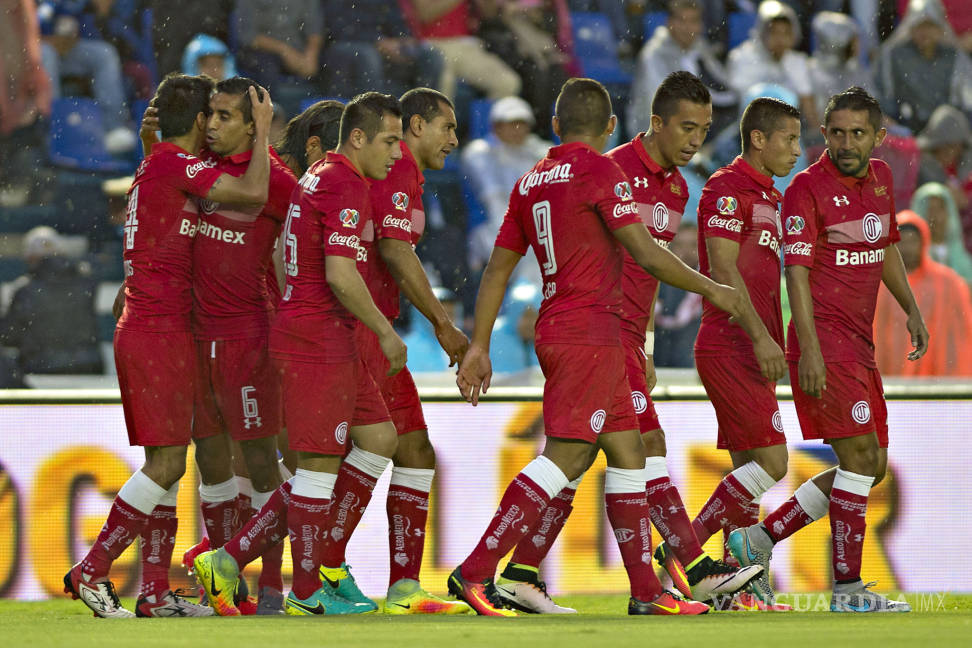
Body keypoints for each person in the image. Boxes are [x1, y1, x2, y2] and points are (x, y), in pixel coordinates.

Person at [448, 77, 753, 617]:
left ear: (556, 125)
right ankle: (475, 572)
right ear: (612, 126)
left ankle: (645, 593)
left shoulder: (529, 181)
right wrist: (713, 289)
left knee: (630, 453)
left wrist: (479, 344)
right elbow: (647, 255)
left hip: (577, 328)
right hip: (591, 329)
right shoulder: (604, 171)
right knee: (566, 455)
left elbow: (497, 267)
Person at [62, 73, 273, 618]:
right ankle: (93, 568)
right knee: (166, 466)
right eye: (214, 116)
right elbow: (253, 192)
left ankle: (154, 592)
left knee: (167, 462)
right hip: (158, 330)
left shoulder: (155, 165)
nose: (218, 125)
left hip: (157, 327)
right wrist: (264, 130)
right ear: (200, 121)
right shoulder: (173, 166)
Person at [192, 92, 408, 617]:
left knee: (379, 439)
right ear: (357, 138)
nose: (398, 153)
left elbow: (292, 263)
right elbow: (339, 272)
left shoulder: (319, 175)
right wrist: (384, 330)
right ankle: (308, 591)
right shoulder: (346, 183)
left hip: (313, 329)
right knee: (316, 467)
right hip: (318, 337)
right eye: (390, 140)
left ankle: (250, 558)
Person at [728, 87, 928, 613]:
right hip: (825, 342)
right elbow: (796, 273)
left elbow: (885, 249)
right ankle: (846, 590)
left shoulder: (882, 183)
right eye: (836, 132)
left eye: (857, 133)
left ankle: (759, 540)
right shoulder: (806, 191)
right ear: (825, 134)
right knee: (859, 457)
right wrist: (809, 349)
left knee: (873, 463)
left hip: (858, 345)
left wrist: (910, 307)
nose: (844, 142)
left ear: (878, 138)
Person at [341, 87, 470, 614]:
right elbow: (393, 250)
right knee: (339, 459)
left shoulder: (408, 178)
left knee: (415, 450)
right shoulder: (394, 174)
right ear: (416, 127)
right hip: (358, 333)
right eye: (447, 127)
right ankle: (312, 570)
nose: (454, 139)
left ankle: (403, 587)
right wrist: (443, 324)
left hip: (375, 332)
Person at [677, 97, 801, 610]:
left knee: (746, 474)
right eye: (789, 139)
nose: (797, 150)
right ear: (758, 138)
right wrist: (762, 336)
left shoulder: (768, 194)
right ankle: (683, 551)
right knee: (773, 462)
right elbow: (724, 271)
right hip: (733, 342)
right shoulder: (727, 189)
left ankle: (742, 586)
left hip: (751, 345)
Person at [462, 96, 552, 278]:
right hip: (491, 225)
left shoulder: (539, 150)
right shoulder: (478, 153)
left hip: (534, 222)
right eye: (511, 124)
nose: (517, 130)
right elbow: (493, 200)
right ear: (497, 126)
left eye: (522, 123)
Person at [873, 210, 972, 376]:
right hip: (893, 375)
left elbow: (962, 334)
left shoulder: (949, 282)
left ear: (924, 242)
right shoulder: (881, 285)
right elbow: (876, 334)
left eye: (913, 241)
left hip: (939, 377)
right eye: (901, 242)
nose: (907, 248)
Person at [0, 226, 102, 375]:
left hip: (40, 369)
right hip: (89, 366)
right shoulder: (87, 283)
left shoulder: (24, 290)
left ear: (30, 257)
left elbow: (9, 336)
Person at [627, 0, 735, 140]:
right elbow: (659, 106)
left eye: (694, 21)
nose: (688, 28)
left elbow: (724, 88)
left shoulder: (700, 48)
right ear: (669, 23)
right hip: (655, 136)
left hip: (695, 127)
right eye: (682, 21)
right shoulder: (653, 55)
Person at [876, 0, 972, 134]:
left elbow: (967, 102)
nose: (925, 32)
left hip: (946, 137)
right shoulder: (892, 57)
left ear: (940, 28)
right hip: (903, 133)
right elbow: (882, 98)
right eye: (919, 26)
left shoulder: (954, 59)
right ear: (910, 27)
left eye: (930, 26)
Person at [726, 1, 821, 134]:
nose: (780, 40)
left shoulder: (798, 61)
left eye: (785, 33)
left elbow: (808, 104)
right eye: (774, 32)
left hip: (789, 131)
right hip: (749, 130)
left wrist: (817, 136)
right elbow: (743, 104)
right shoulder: (741, 57)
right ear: (762, 32)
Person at [910, 182, 972, 283]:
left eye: (940, 208)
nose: (934, 216)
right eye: (930, 209)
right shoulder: (910, 258)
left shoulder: (962, 260)